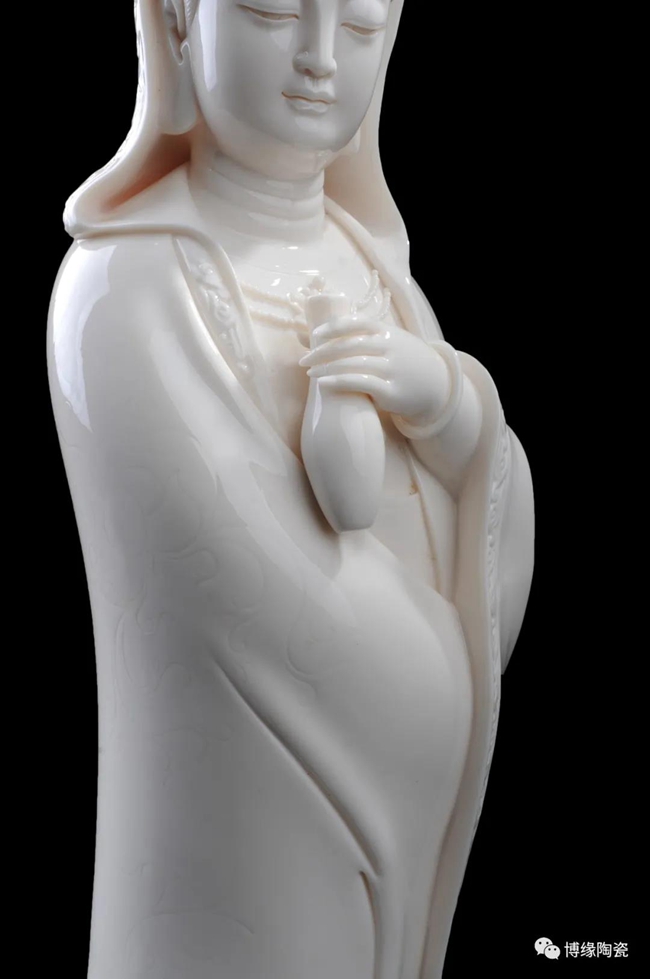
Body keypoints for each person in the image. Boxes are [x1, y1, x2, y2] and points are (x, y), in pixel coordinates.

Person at [47, 2, 534, 977]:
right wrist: (435, 682)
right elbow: (224, 570)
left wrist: (450, 407)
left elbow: (490, 498)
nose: (318, 60)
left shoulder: (373, 269)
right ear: (177, 25)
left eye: (359, 28)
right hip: (240, 808)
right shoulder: (125, 285)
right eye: (274, 12)